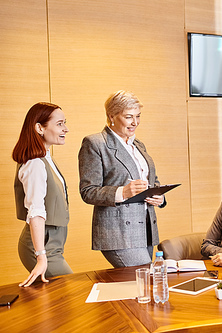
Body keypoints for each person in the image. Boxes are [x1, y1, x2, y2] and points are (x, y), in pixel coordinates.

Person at [78, 90, 166, 268]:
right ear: (112, 116)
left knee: (142, 287)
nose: (135, 122)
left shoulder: (138, 145)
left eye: (138, 116)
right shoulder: (95, 143)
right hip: (118, 233)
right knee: (144, 279)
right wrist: (122, 191)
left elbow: (152, 181)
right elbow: (88, 192)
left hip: (146, 229)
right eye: (129, 117)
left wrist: (160, 196)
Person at [13, 102, 72, 287]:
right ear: (39, 127)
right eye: (60, 123)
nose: (66, 129)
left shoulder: (45, 157)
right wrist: (40, 257)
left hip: (51, 244)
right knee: (69, 289)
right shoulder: (35, 164)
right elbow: (36, 212)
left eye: (65, 123)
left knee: (59, 300)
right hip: (40, 246)